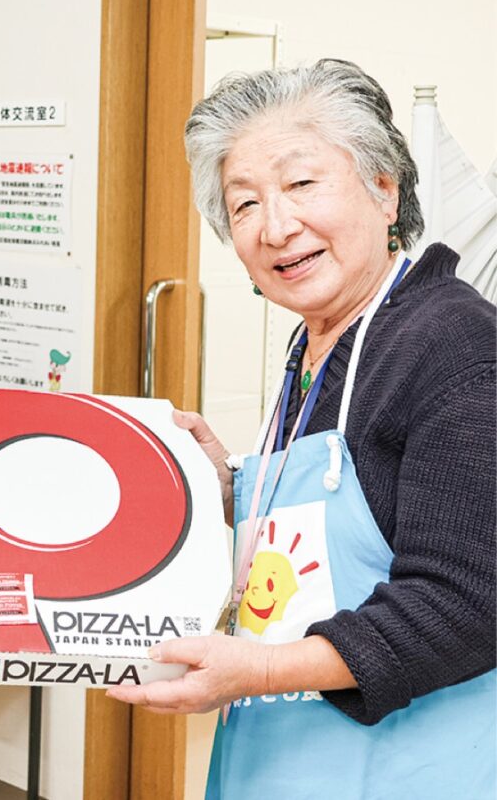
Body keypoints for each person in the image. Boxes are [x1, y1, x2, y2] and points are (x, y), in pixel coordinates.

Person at [107, 60, 495, 797]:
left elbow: (470, 602)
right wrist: (226, 493)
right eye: (244, 204)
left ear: (385, 189)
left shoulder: (457, 345)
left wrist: (256, 670)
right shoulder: (318, 344)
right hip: (281, 759)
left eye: (301, 184)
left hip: (406, 772)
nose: (276, 227)